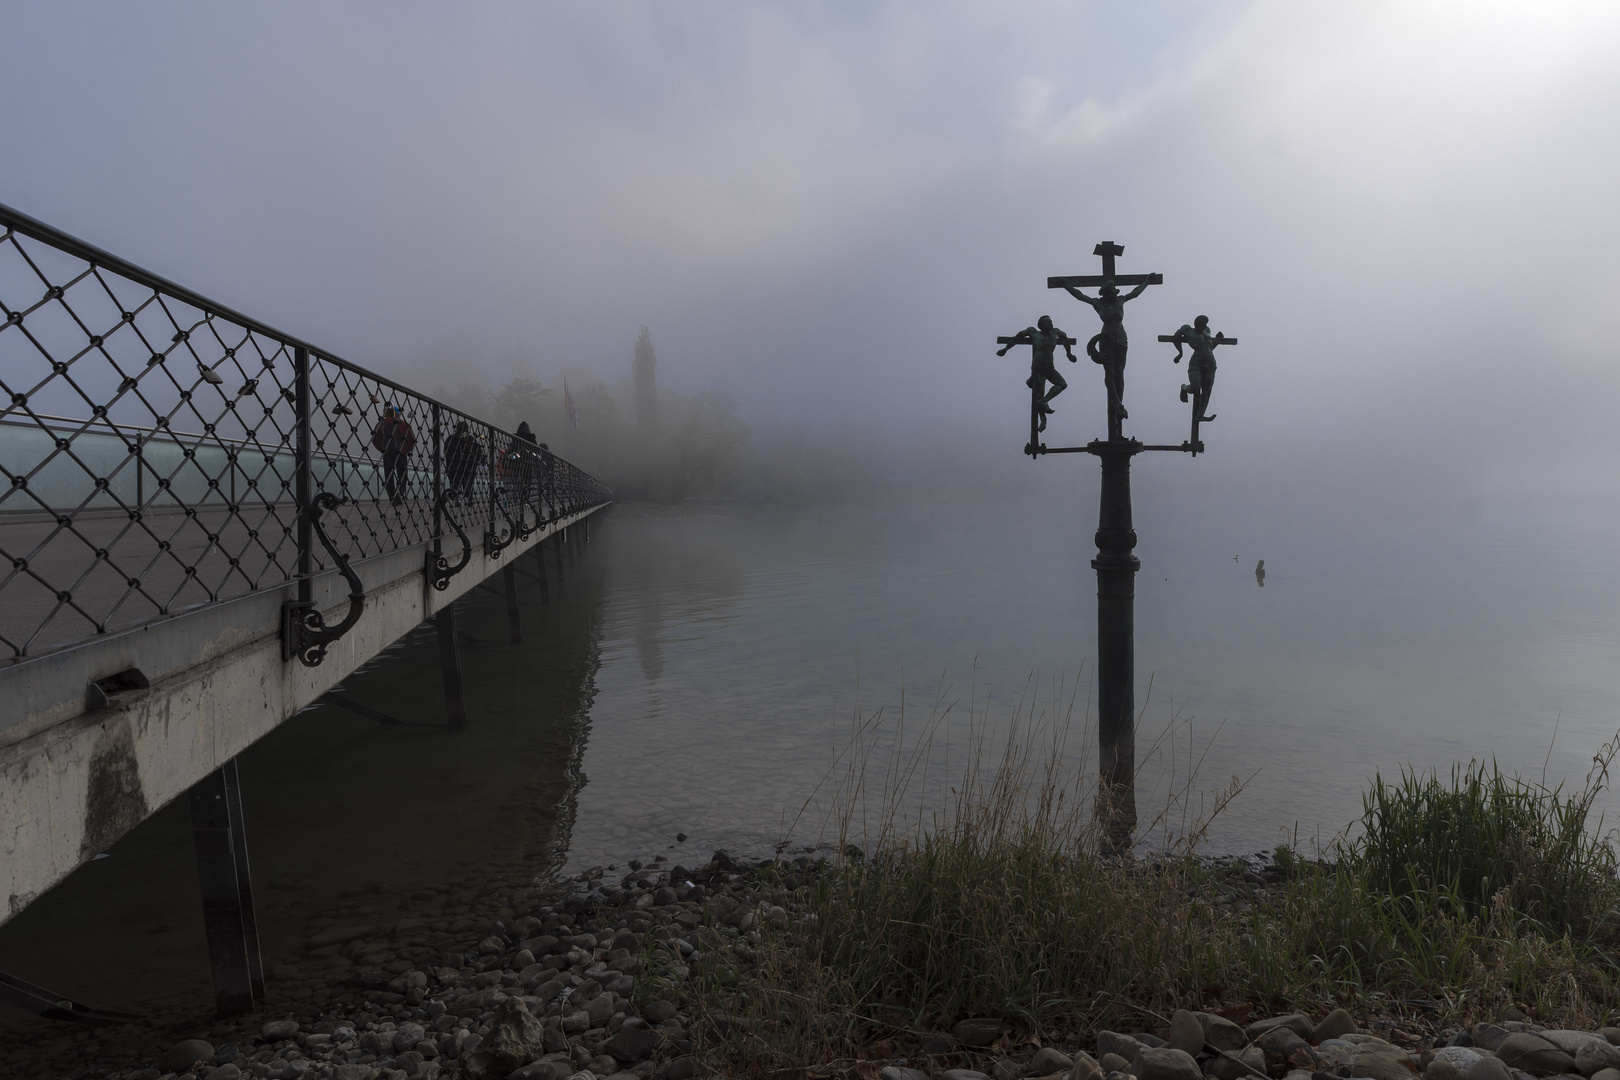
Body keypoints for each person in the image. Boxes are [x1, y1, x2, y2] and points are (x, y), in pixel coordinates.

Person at [1062, 278, 1153, 433]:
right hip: (1106, 339)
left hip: (1121, 338)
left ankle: (1119, 405)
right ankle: (1117, 403)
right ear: (1105, 294)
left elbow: (1135, 293)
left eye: (1113, 291)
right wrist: (1066, 286)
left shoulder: (1120, 300)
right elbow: (1079, 295)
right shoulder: (1098, 304)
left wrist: (1147, 281)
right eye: (1109, 292)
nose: (1112, 293)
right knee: (1109, 371)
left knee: (1120, 372)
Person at [995, 315, 1077, 431]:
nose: (1050, 323)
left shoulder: (1055, 332)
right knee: (1039, 392)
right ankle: (1043, 420)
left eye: (1050, 321)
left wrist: (1069, 354)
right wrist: (1005, 349)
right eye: (1047, 321)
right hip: (1038, 366)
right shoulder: (1033, 332)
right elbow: (1016, 338)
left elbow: (1066, 340)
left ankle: (1043, 402)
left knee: (1062, 384)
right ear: (1041, 324)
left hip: (1049, 366)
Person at [370, 405, 416, 505]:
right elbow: (411, 439)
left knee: (389, 475)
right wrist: (407, 450)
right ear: (397, 414)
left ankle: (392, 496)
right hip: (401, 453)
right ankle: (399, 492)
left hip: (387, 453)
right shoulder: (403, 423)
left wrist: (382, 448)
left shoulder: (381, 423)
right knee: (402, 475)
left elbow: (374, 439)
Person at [444, 419, 480, 497]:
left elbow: (446, 453)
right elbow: (478, 452)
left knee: (455, 483)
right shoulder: (471, 439)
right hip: (468, 466)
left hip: (453, 465)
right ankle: (469, 499)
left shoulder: (450, 439)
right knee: (468, 484)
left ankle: (456, 498)